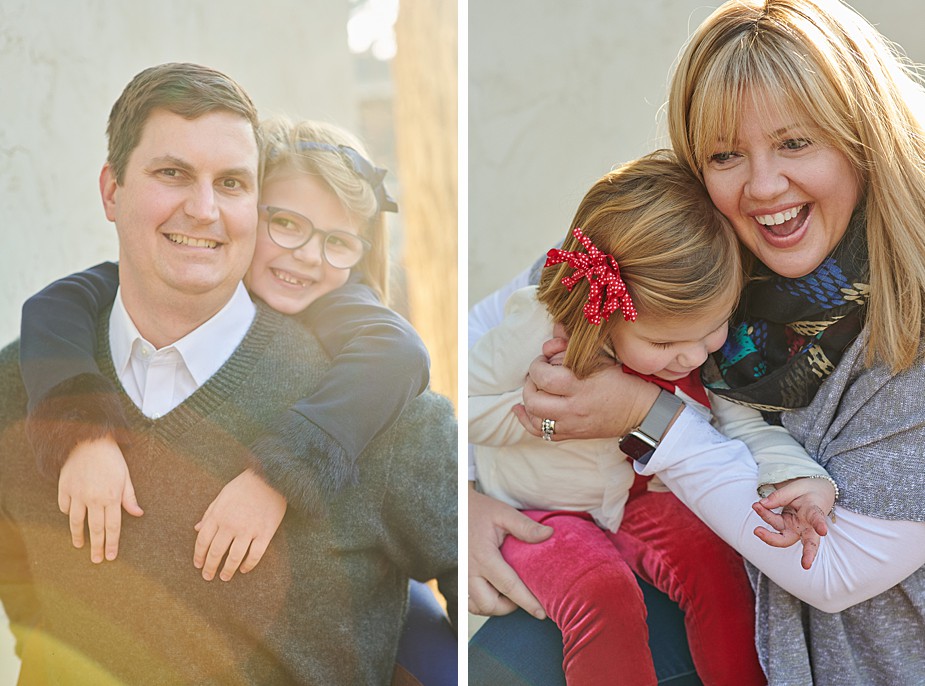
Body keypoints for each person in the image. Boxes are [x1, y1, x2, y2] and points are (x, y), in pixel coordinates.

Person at [473, 0, 925, 683]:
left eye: (795, 142)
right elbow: (478, 347)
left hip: (859, 658)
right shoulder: (689, 249)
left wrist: (647, 416)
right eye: (724, 154)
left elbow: (835, 568)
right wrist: (465, 499)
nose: (762, 186)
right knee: (507, 662)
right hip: (706, 592)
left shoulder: (908, 307)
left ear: (860, 136)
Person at [0, 62, 456, 685]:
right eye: (172, 173)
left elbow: (489, 602)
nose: (203, 209)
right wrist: (79, 424)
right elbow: (30, 612)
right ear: (112, 191)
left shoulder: (378, 406)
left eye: (232, 183)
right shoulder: (22, 383)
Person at [470, 151, 835, 685]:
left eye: (711, 330)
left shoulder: (699, 342)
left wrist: (800, 476)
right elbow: (464, 407)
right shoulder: (537, 330)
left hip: (639, 496)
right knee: (602, 594)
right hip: (540, 507)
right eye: (664, 342)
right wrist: (542, 414)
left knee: (719, 565)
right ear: (607, 315)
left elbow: (743, 423)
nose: (691, 356)